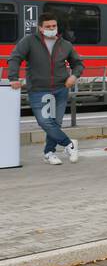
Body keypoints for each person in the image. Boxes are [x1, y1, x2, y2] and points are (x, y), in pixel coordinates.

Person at [6, 12, 84, 166]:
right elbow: (15, 57)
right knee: (44, 121)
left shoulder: (65, 44)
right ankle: (69, 144)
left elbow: (78, 63)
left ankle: (49, 153)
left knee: (55, 123)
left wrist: (74, 76)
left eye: (54, 26)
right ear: (40, 28)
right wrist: (13, 78)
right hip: (38, 89)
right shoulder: (29, 41)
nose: (52, 28)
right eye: (48, 26)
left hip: (60, 89)